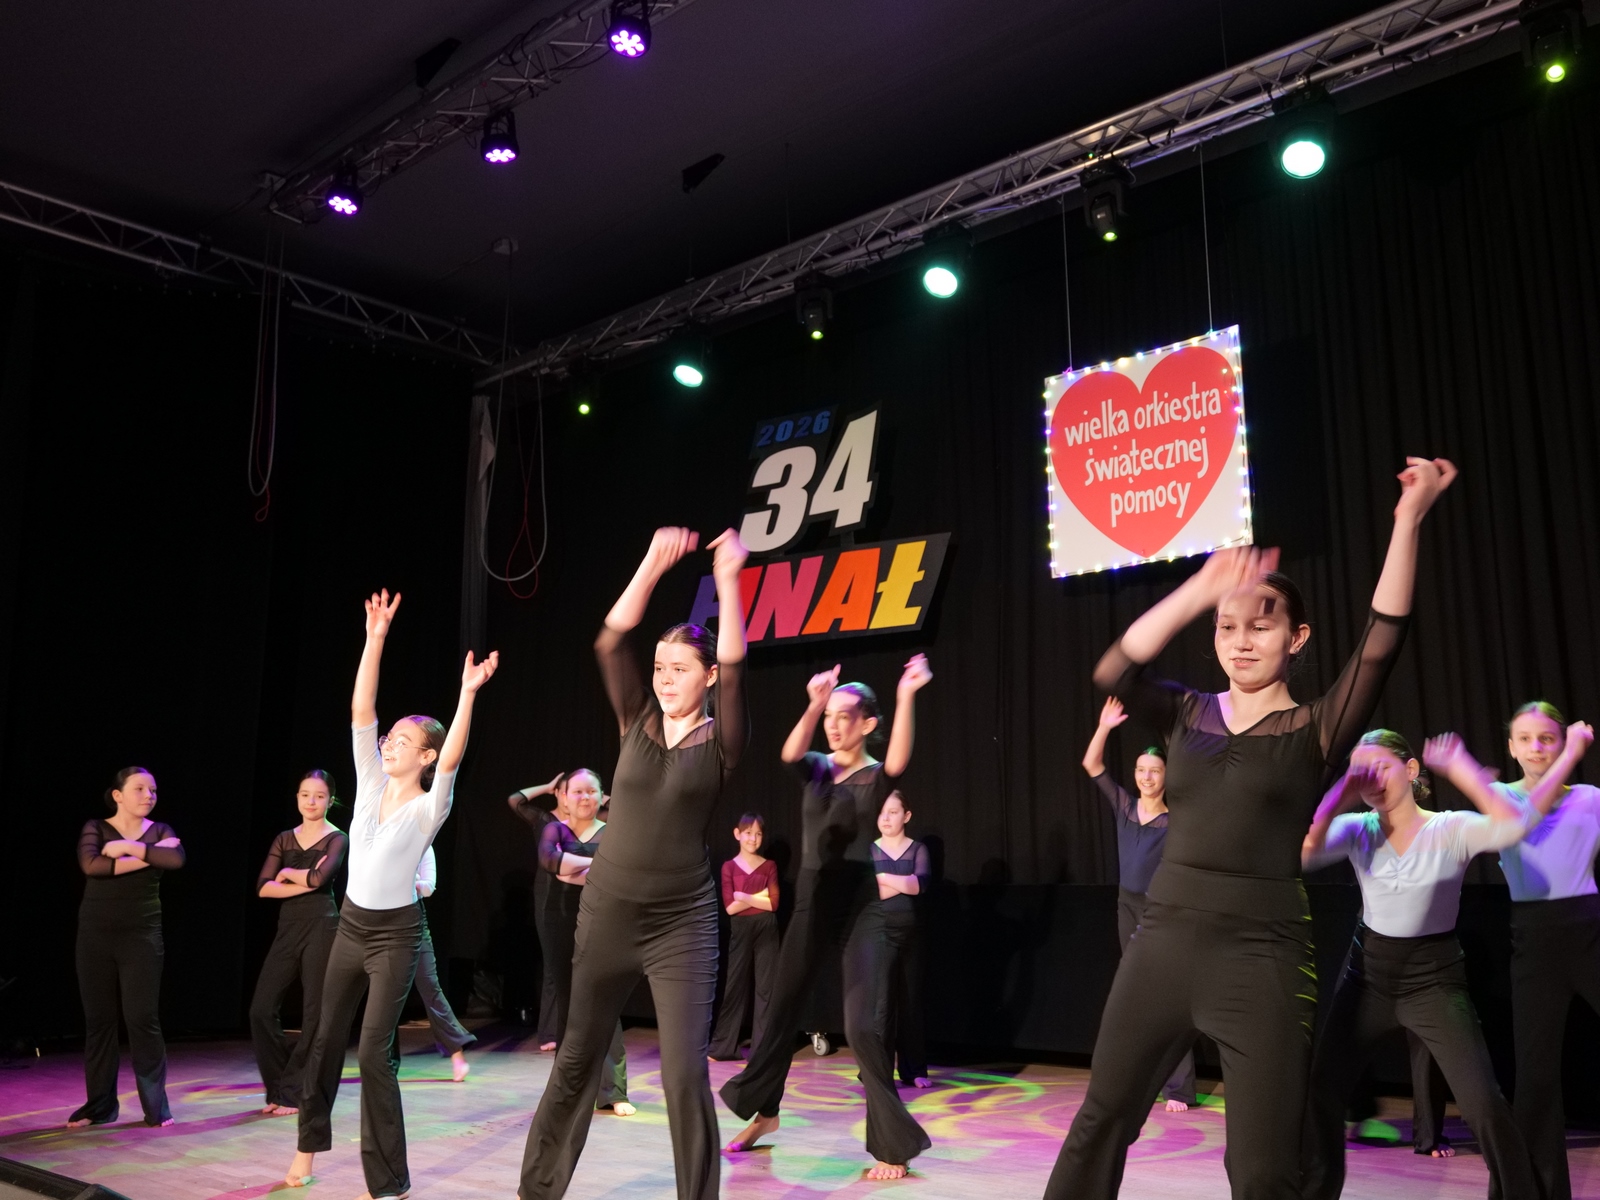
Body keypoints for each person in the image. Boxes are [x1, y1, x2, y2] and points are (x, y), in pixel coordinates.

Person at [1044, 455, 1457, 1200]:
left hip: (1263, 957)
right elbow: (1113, 672)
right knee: (1101, 1121)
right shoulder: (1184, 714)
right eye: (1227, 627)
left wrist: (1408, 520)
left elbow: (1383, 637)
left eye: (1261, 626)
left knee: (1265, 1169)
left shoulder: (1317, 728)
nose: (1241, 640)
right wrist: (1199, 589)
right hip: (1163, 943)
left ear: (1296, 638)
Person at [519, 527, 749, 1200]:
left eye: (680, 668)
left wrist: (729, 581)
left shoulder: (723, 741)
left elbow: (738, 666)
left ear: (708, 675)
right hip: (609, 912)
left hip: (683, 922)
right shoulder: (636, 718)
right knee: (577, 1059)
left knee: (684, 1076)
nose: (666, 679)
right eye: (659, 668)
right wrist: (650, 563)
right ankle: (537, 1192)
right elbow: (610, 640)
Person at [285, 589, 497, 1198]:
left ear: (425, 756)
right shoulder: (370, 780)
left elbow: (453, 757)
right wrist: (374, 639)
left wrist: (467, 694)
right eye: (391, 737)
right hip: (351, 928)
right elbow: (363, 709)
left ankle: (388, 1182)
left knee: (377, 1054)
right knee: (324, 1039)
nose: (390, 742)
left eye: (404, 740)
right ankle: (307, 1147)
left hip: (396, 937)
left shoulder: (432, 806)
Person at [1299, 730, 1539, 1199]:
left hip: (1434, 979)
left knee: (1484, 1104)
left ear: (1410, 770)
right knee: (1321, 1092)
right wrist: (1342, 792)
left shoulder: (1448, 828)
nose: (1369, 780)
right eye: (1360, 772)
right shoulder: (1357, 829)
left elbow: (1514, 828)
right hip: (1367, 976)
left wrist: (1463, 769)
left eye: (1379, 768)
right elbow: (1304, 852)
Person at [721, 654, 934, 1181]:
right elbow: (789, 752)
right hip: (812, 906)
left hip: (861, 909)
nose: (835, 725)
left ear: (868, 723)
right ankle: (765, 1113)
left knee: (862, 1027)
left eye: (845, 716)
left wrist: (907, 693)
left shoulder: (875, 776)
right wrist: (814, 704)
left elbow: (899, 759)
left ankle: (892, 1145)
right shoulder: (816, 767)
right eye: (830, 716)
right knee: (780, 1013)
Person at [1490, 705, 1598, 1200]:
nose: (1537, 747)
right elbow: (1522, 821)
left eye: (1548, 738)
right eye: (1526, 739)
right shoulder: (1500, 796)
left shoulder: (1591, 798)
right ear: (1511, 748)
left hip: (1590, 930)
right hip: (1534, 941)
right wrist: (1573, 753)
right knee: (1535, 1076)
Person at [1080, 698, 1195, 1111]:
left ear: (1166, 775)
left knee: (1167, 996)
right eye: (1141, 770)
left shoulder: (1175, 819)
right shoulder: (1125, 807)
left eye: (1155, 771)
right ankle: (1136, 1078)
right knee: (1134, 995)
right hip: (1126, 907)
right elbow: (1092, 764)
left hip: (1162, 912)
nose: (1147, 777)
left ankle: (1179, 1088)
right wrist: (1104, 726)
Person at [69, 767, 185, 1128]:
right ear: (118, 795)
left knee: (142, 1019)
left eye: (153, 790)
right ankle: (100, 1107)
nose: (149, 795)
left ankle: (156, 1108)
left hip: (141, 937)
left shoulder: (161, 830)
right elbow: (93, 865)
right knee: (99, 1021)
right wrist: (148, 854)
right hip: (95, 936)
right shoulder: (96, 827)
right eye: (140, 789)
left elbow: (176, 859)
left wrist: (127, 848)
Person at [528, 768, 634, 1113]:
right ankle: (568, 1091)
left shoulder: (615, 832)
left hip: (604, 925)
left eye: (591, 791)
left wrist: (572, 867)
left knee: (606, 1003)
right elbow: (550, 861)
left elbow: (620, 873)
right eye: (577, 791)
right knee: (568, 1005)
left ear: (603, 797)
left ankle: (614, 1092)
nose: (585, 797)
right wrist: (597, 865)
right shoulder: (554, 829)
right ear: (564, 797)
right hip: (559, 924)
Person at [250, 771, 348, 1115]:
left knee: (314, 1013)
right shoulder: (284, 839)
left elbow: (321, 879)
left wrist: (288, 874)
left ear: (330, 800)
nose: (311, 801)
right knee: (260, 1009)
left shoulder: (337, 838)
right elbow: (263, 887)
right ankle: (281, 1085)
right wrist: (305, 879)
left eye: (319, 796)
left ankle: (292, 1093)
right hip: (288, 927)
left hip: (323, 926)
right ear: (297, 798)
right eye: (305, 794)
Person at [872, 790, 931, 1090]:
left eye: (893, 812)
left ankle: (913, 1070)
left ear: (906, 816)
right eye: (882, 812)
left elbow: (919, 885)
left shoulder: (918, 849)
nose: (886, 818)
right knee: (882, 1005)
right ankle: (878, 1071)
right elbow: (872, 893)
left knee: (911, 1003)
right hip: (880, 934)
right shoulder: (870, 850)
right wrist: (900, 882)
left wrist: (883, 878)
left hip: (912, 935)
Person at [709, 814, 780, 1062]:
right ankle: (723, 1047)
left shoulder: (769, 866)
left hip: (766, 928)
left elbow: (773, 904)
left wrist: (745, 897)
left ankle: (763, 1050)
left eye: (758, 834)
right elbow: (730, 907)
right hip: (740, 929)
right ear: (737, 834)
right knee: (735, 986)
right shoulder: (729, 867)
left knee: (766, 989)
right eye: (748, 833)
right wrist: (759, 896)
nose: (753, 838)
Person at [411, 844, 476, 1083]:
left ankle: (456, 1053)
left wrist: (407, 879)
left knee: (430, 988)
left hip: (413, 924)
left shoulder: (423, 847)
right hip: (380, 923)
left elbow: (428, 888)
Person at [509, 775, 564, 1048]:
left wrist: (597, 796)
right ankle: (550, 1033)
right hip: (548, 898)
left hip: (580, 897)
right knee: (554, 964)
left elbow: (618, 810)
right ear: (559, 794)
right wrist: (547, 787)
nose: (578, 796)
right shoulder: (545, 820)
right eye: (571, 791)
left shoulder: (587, 823)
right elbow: (515, 801)